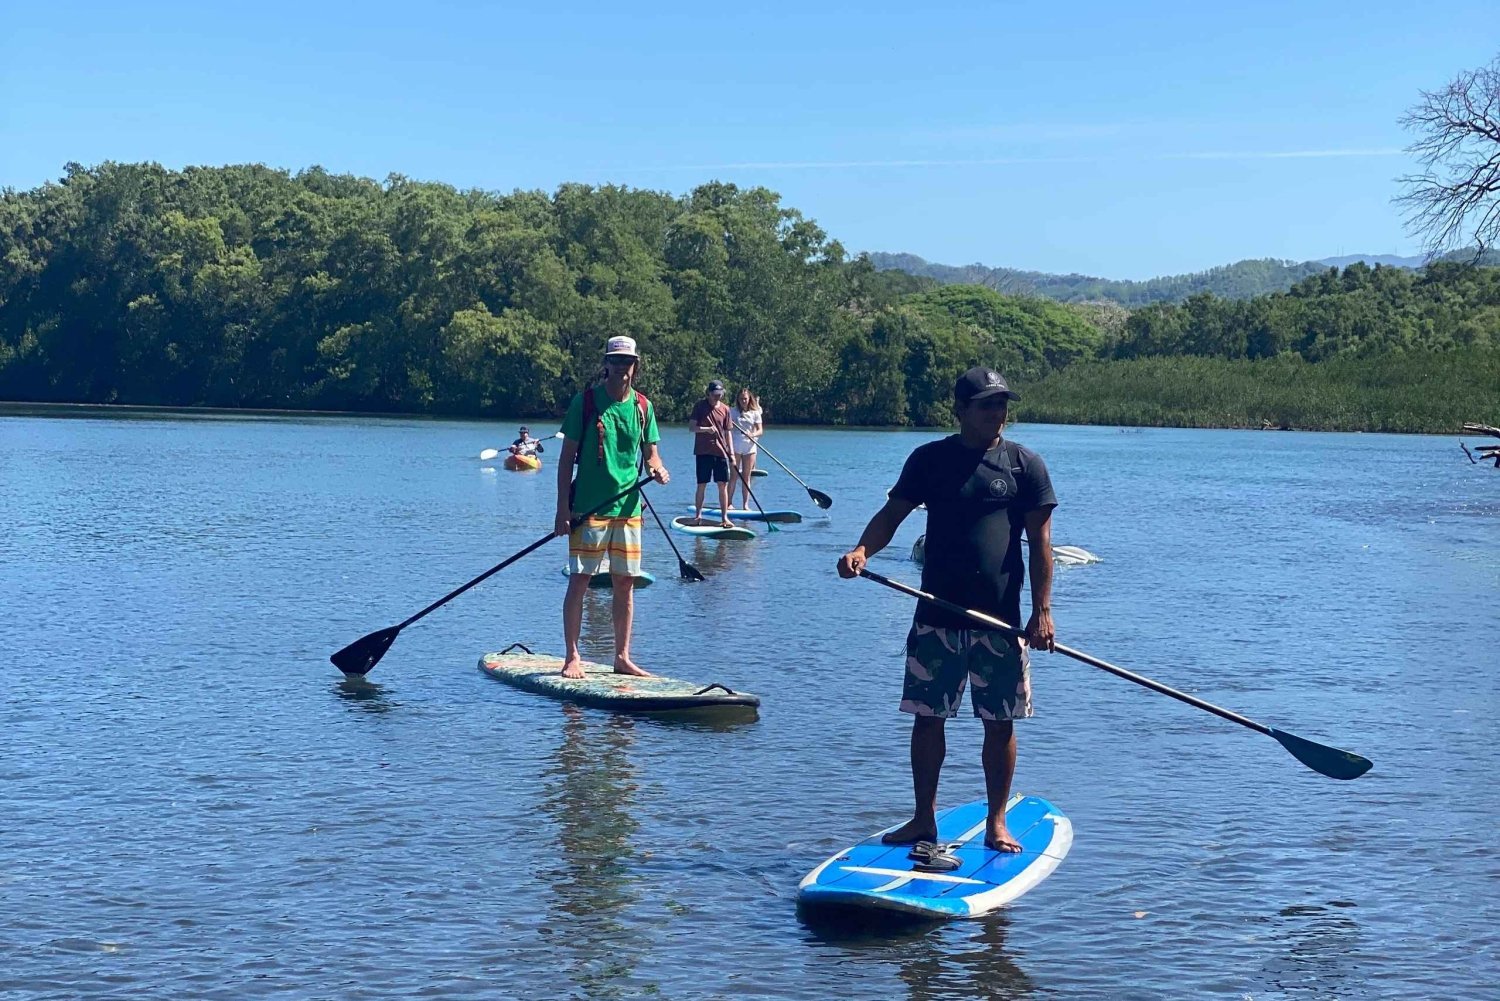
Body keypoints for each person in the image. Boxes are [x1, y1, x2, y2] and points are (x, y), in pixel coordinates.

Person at [836, 366, 1056, 853]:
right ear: (960, 410)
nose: (997, 414)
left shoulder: (1024, 465)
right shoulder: (929, 460)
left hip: (999, 621)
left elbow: (1041, 543)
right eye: (987, 405)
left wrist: (1041, 612)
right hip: (936, 615)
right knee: (927, 717)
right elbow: (892, 515)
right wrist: (861, 552)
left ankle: (997, 821)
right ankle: (922, 819)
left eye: (1002, 405)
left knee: (999, 722)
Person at [555, 336, 669, 680]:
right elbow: (565, 461)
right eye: (616, 361)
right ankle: (572, 656)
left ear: (636, 366)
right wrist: (562, 509)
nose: (622, 368)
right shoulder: (585, 402)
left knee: (625, 583)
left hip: (629, 509)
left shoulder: (643, 407)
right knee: (581, 580)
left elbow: (651, 453)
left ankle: (622, 656)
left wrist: (657, 467)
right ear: (607, 364)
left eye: (627, 362)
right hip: (589, 508)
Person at [688, 379, 735, 527]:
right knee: (702, 484)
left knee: (722, 485)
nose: (717, 397)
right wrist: (706, 429)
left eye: (720, 394)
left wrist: (731, 454)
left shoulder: (725, 409)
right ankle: (698, 516)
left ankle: (724, 518)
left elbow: (728, 434)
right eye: (715, 394)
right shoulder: (700, 407)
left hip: (720, 452)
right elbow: (692, 428)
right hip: (703, 452)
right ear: (708, 393)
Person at [728, 387, 763, 510]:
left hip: (749, 448)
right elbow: (726, 428)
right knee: (733, 476)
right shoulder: (732, 412)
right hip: (735, 447)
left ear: (749, 399)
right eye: (741, 399)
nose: (743, 401)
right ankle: (729, 504)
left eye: (745, 399)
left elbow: (760, 430)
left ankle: (745, 505)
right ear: (738, 399)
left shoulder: (755, 413)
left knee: (746, 477)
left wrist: (752, 434)